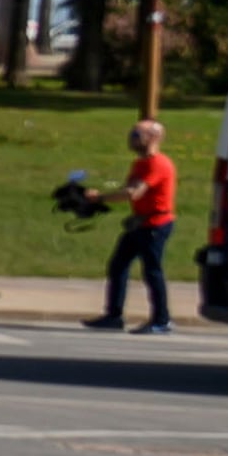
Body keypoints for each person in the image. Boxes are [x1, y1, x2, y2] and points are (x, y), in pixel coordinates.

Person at [91, 118, 179, 332]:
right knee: (118, 265)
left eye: (136, 135)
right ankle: (114, 316)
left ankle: (162, 320)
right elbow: (128, 189)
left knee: (152, 271)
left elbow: (134, 192)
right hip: (140, 223)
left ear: (153, 138)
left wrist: (100, 198)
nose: (131, 139)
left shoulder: (158, 164)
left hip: (155, 225)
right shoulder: (140, 163)